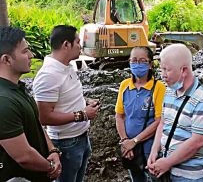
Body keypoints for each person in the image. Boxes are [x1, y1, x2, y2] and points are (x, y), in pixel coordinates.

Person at [32, 25, 100, 182]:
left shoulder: (67, 67)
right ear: (66, 45)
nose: (80, 46)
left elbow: (64, 98)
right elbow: (44, 117)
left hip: (81, 138)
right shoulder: (48, 75)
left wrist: (86, 102)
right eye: (77, 41)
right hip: (66, 143)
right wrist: (83, 115)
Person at [147, 44, 203, 182]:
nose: (163, 75)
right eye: (161, 69)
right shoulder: (169, 91)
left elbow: (197, 142)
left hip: (189, 176)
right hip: (166, 170)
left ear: (184, 70)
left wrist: (167, 162)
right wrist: (154, 151)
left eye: (167, 70)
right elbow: (163, 122)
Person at [0, 26, 61, 182]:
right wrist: (50, 167)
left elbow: (36, 124)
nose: (31, 55)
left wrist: (52, 150)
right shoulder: (4, 101)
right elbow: (24, 156)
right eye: (25, 51)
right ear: (6, 59)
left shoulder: (17, 88)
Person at [115, 46, 166, 182]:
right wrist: (125, 141)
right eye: (134, 60)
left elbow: (159, 120)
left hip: (150, 147)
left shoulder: (158, 87)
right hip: (129, 149)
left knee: (155, 177)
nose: (137, 64)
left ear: (150, 64)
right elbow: (119, 116)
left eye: (142, 61)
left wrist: (135, 141)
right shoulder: (125, 85)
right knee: (136, 178)